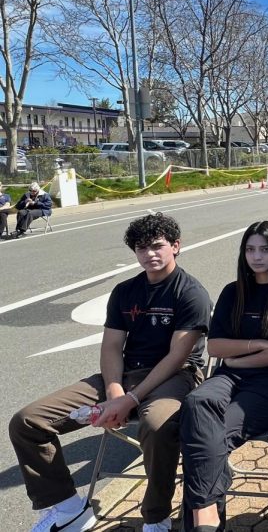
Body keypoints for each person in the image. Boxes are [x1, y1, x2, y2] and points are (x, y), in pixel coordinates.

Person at [9, 213, 211, 532]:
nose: (150, 254)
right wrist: (115, 392)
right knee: (28, 422)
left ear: (176, 246)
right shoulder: (125, 291)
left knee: (157, 426)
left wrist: (128, 401)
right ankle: (68, 507)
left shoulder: (191, 293)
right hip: (124, 376)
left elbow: (176, 358)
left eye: (158, 246)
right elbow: (111, 347)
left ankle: (157, 516)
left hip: (175, 377)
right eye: (141, 248)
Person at [179, 221, 268, 532]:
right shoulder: (233, 292)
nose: (257, 256)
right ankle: (208, 518)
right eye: (250, 249)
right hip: (229, 378)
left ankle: (202, 521)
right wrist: (258, 345)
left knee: (206, 438)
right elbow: (214, 347)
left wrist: (239, 361)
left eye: (264, 249)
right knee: (197, 401)